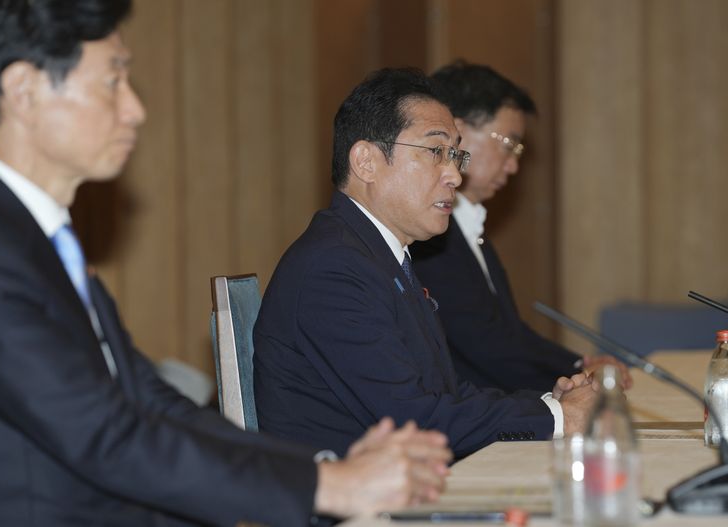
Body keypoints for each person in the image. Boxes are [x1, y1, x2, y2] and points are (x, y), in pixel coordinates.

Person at [0, 1, 452, 525]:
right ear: (24, 92)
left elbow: (155, 405)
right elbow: (106, 436)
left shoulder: (30, 236)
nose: (134, 109)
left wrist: (323, 467)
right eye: (113, 82)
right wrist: (329, 484)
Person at [253, 67, 597, 461]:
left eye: (456, 154)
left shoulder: (377, 256)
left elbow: (444, 395)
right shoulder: (333, 271)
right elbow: (415, 421)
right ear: (366, 162)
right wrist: (557, 417)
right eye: (436, 152)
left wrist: (548, 403)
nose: (454, 174)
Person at [411, 61, 632, 393]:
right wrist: (575, 380)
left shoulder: (470, 223)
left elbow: (509, 332)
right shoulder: (430, 234)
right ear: (458, 132)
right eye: (507, 145)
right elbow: (485, 346)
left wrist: (579, 364)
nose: (513, 165)